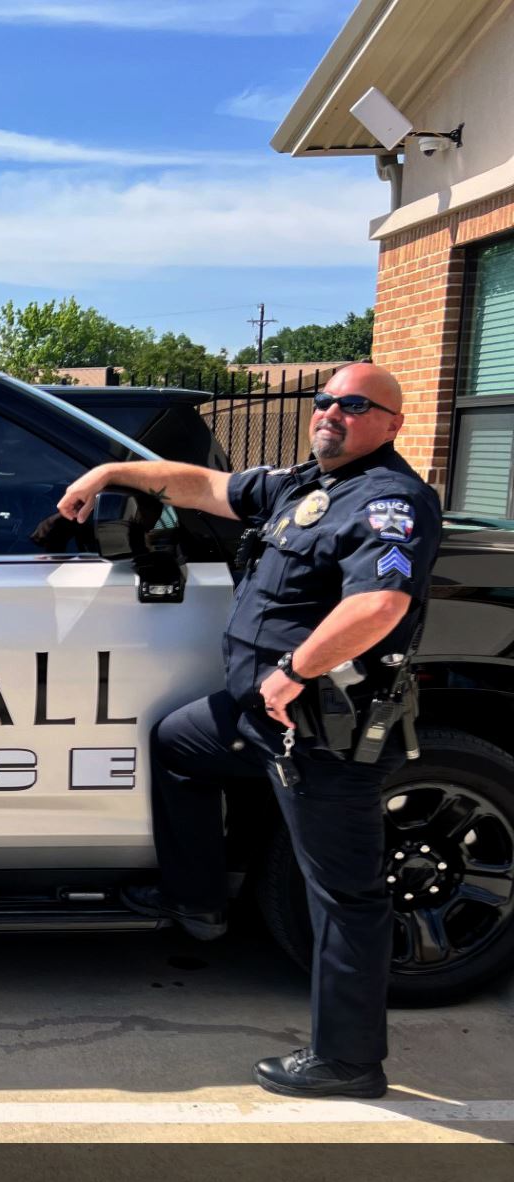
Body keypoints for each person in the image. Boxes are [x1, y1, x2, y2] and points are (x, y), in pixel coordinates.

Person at [57, 364, 441, 1099]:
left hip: (323, 728)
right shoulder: (303, 488)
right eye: (325, 401)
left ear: (392, 423)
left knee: (344, 894)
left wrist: (296, 668)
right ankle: (196, 903)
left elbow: (382, 605)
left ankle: (348, 1061)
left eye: (355, 405)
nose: (332, 413)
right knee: (177, 744)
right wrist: (111, 469)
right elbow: (203, 485)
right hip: (256, 717)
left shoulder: (389, 501)